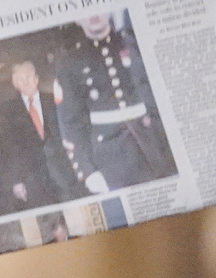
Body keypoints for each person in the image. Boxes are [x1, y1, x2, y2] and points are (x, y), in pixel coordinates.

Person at [53, 13, 176, 193]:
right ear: (78, 19)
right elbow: (71, 125)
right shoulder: (70, 64)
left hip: (155, 147)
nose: (93, 14)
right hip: (111, 160)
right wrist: (88, 171)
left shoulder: (135, 44)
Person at [0, 61, 70, 211]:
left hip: (64, 171)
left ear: (36, 78)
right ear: (15, 83)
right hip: (32, 179)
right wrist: (15, 181)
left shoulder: (53, 100)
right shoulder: (8, 111)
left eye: (29, 76)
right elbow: (7, 147)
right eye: (20, 78)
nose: (26, 81)